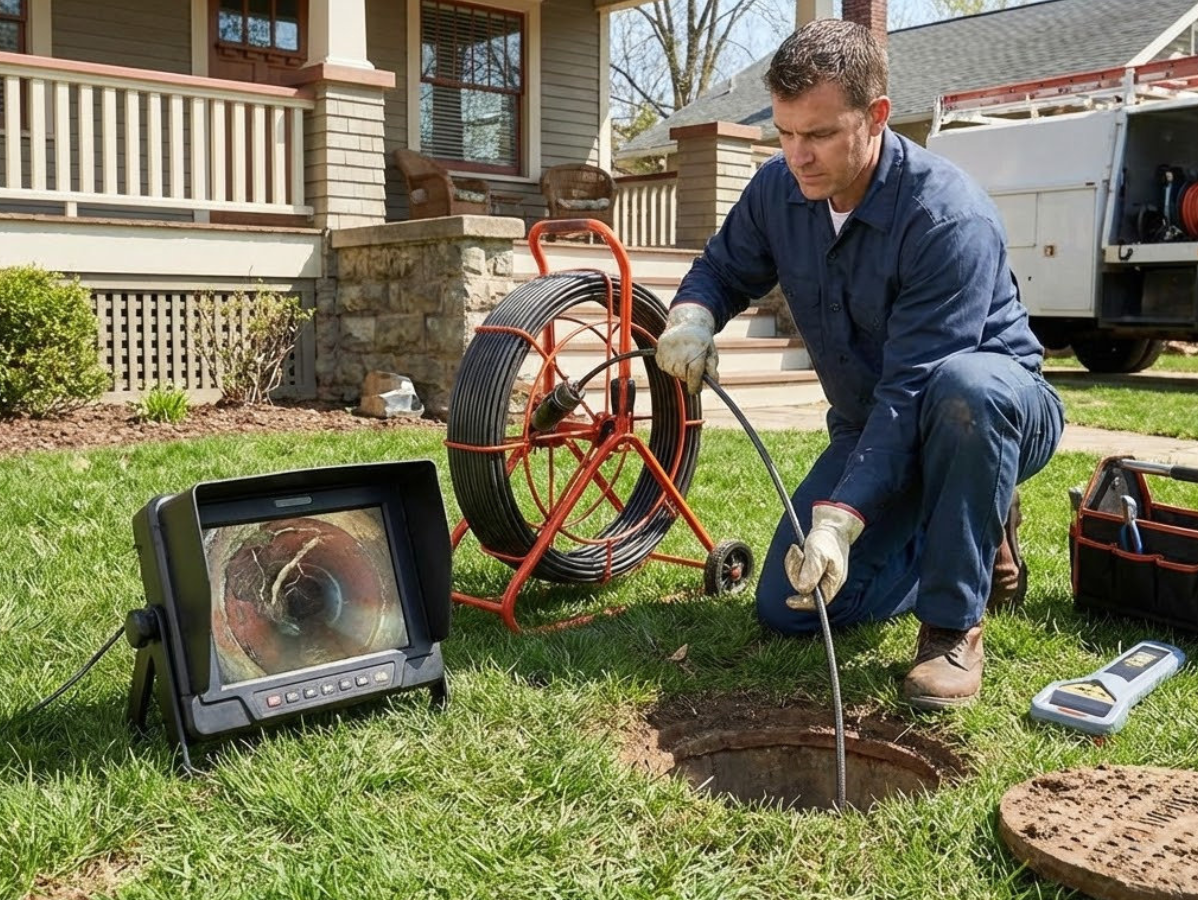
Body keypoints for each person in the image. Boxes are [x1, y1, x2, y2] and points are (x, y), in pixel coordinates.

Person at [654, 18, 1064, 710]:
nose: (797, 155)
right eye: (785, 134)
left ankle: (952, 626)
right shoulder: (779, 191)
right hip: (869, 425)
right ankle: (969, 526)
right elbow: (723, 269)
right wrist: (693, 314)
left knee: (966, 392)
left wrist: (842, 518)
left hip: (985, 413)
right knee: (790, 608)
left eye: (818, 135)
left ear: (875, 117)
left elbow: (914, 390)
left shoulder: (945, 220)